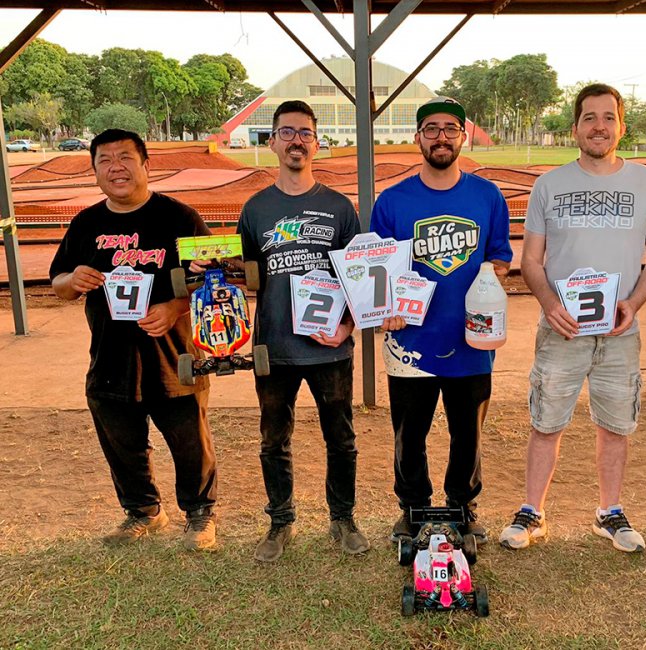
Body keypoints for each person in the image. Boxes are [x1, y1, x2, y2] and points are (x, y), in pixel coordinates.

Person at [498, 84, 646, 553]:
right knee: (546, 421)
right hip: (563, 327)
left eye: (608, 117)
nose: (599, 126)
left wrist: (632, 303)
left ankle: (609, 512)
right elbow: (531, 259)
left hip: (619, 328)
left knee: (615, 424)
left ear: (621, 126)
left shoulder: (645, 182)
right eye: (589, 117)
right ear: (575, 127)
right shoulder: (549, 184)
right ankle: (532, 511)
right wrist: (549, 303)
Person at [49, 129, 218, 551]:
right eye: (104, 160)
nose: (115, 167)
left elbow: (212, 279)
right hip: (110, 356)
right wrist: (74, 279)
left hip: (173, 356)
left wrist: (173, 308)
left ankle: (200, 516)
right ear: (94, 172)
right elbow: (59, 282)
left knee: (189, 441)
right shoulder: (86, 223)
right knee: (122, 443)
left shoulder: (180, 218)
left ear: (147, 165)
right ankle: (142, 511)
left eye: (125, 157)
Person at [371, 97, 513, 542]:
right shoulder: (392, 201)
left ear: (462, 135)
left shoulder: (486, 195)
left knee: (466, 434)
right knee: (408, 434)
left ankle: (461, 505)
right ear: (417, 138)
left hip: (470, 339)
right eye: (430, 129)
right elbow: (376, 268)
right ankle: (412, 506)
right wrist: (384, 307)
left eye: (450, 128)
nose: (441, 137)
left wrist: (490, 279)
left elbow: (500, 258)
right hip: (409, 342)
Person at [238, 100, 369, 561]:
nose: (297, 140)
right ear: (272, 142)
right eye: (287, 132)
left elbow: (361, 276)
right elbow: (248, 274)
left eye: (306, 133)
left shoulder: (338, 207)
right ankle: (280, 521)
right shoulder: (255, 209)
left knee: (342, 438)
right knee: (274, 438)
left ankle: (343, 517)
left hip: (330, 348)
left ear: (316, 143)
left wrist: (348, 325)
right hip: (273, 347)